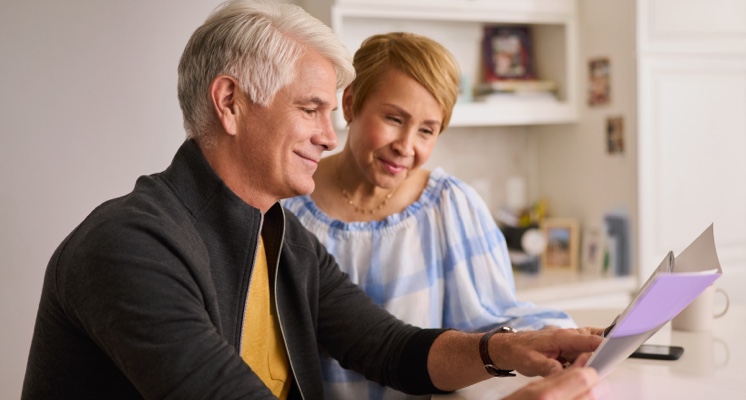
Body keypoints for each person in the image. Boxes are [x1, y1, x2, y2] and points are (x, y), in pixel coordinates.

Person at [21, 1, 602, 399]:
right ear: (230, 102)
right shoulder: (128, 248)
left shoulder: (278, 235)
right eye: (310, 109)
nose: (330, 135)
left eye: (333, 112)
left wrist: (513, 349)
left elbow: (390, 348)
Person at [281, 32, 577, 399]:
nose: (406, 146)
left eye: (426, 130)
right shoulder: (286, 205)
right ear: (350, 102)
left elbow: (495, 318)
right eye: (393, 118)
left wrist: (559, 335)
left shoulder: (449, 207)